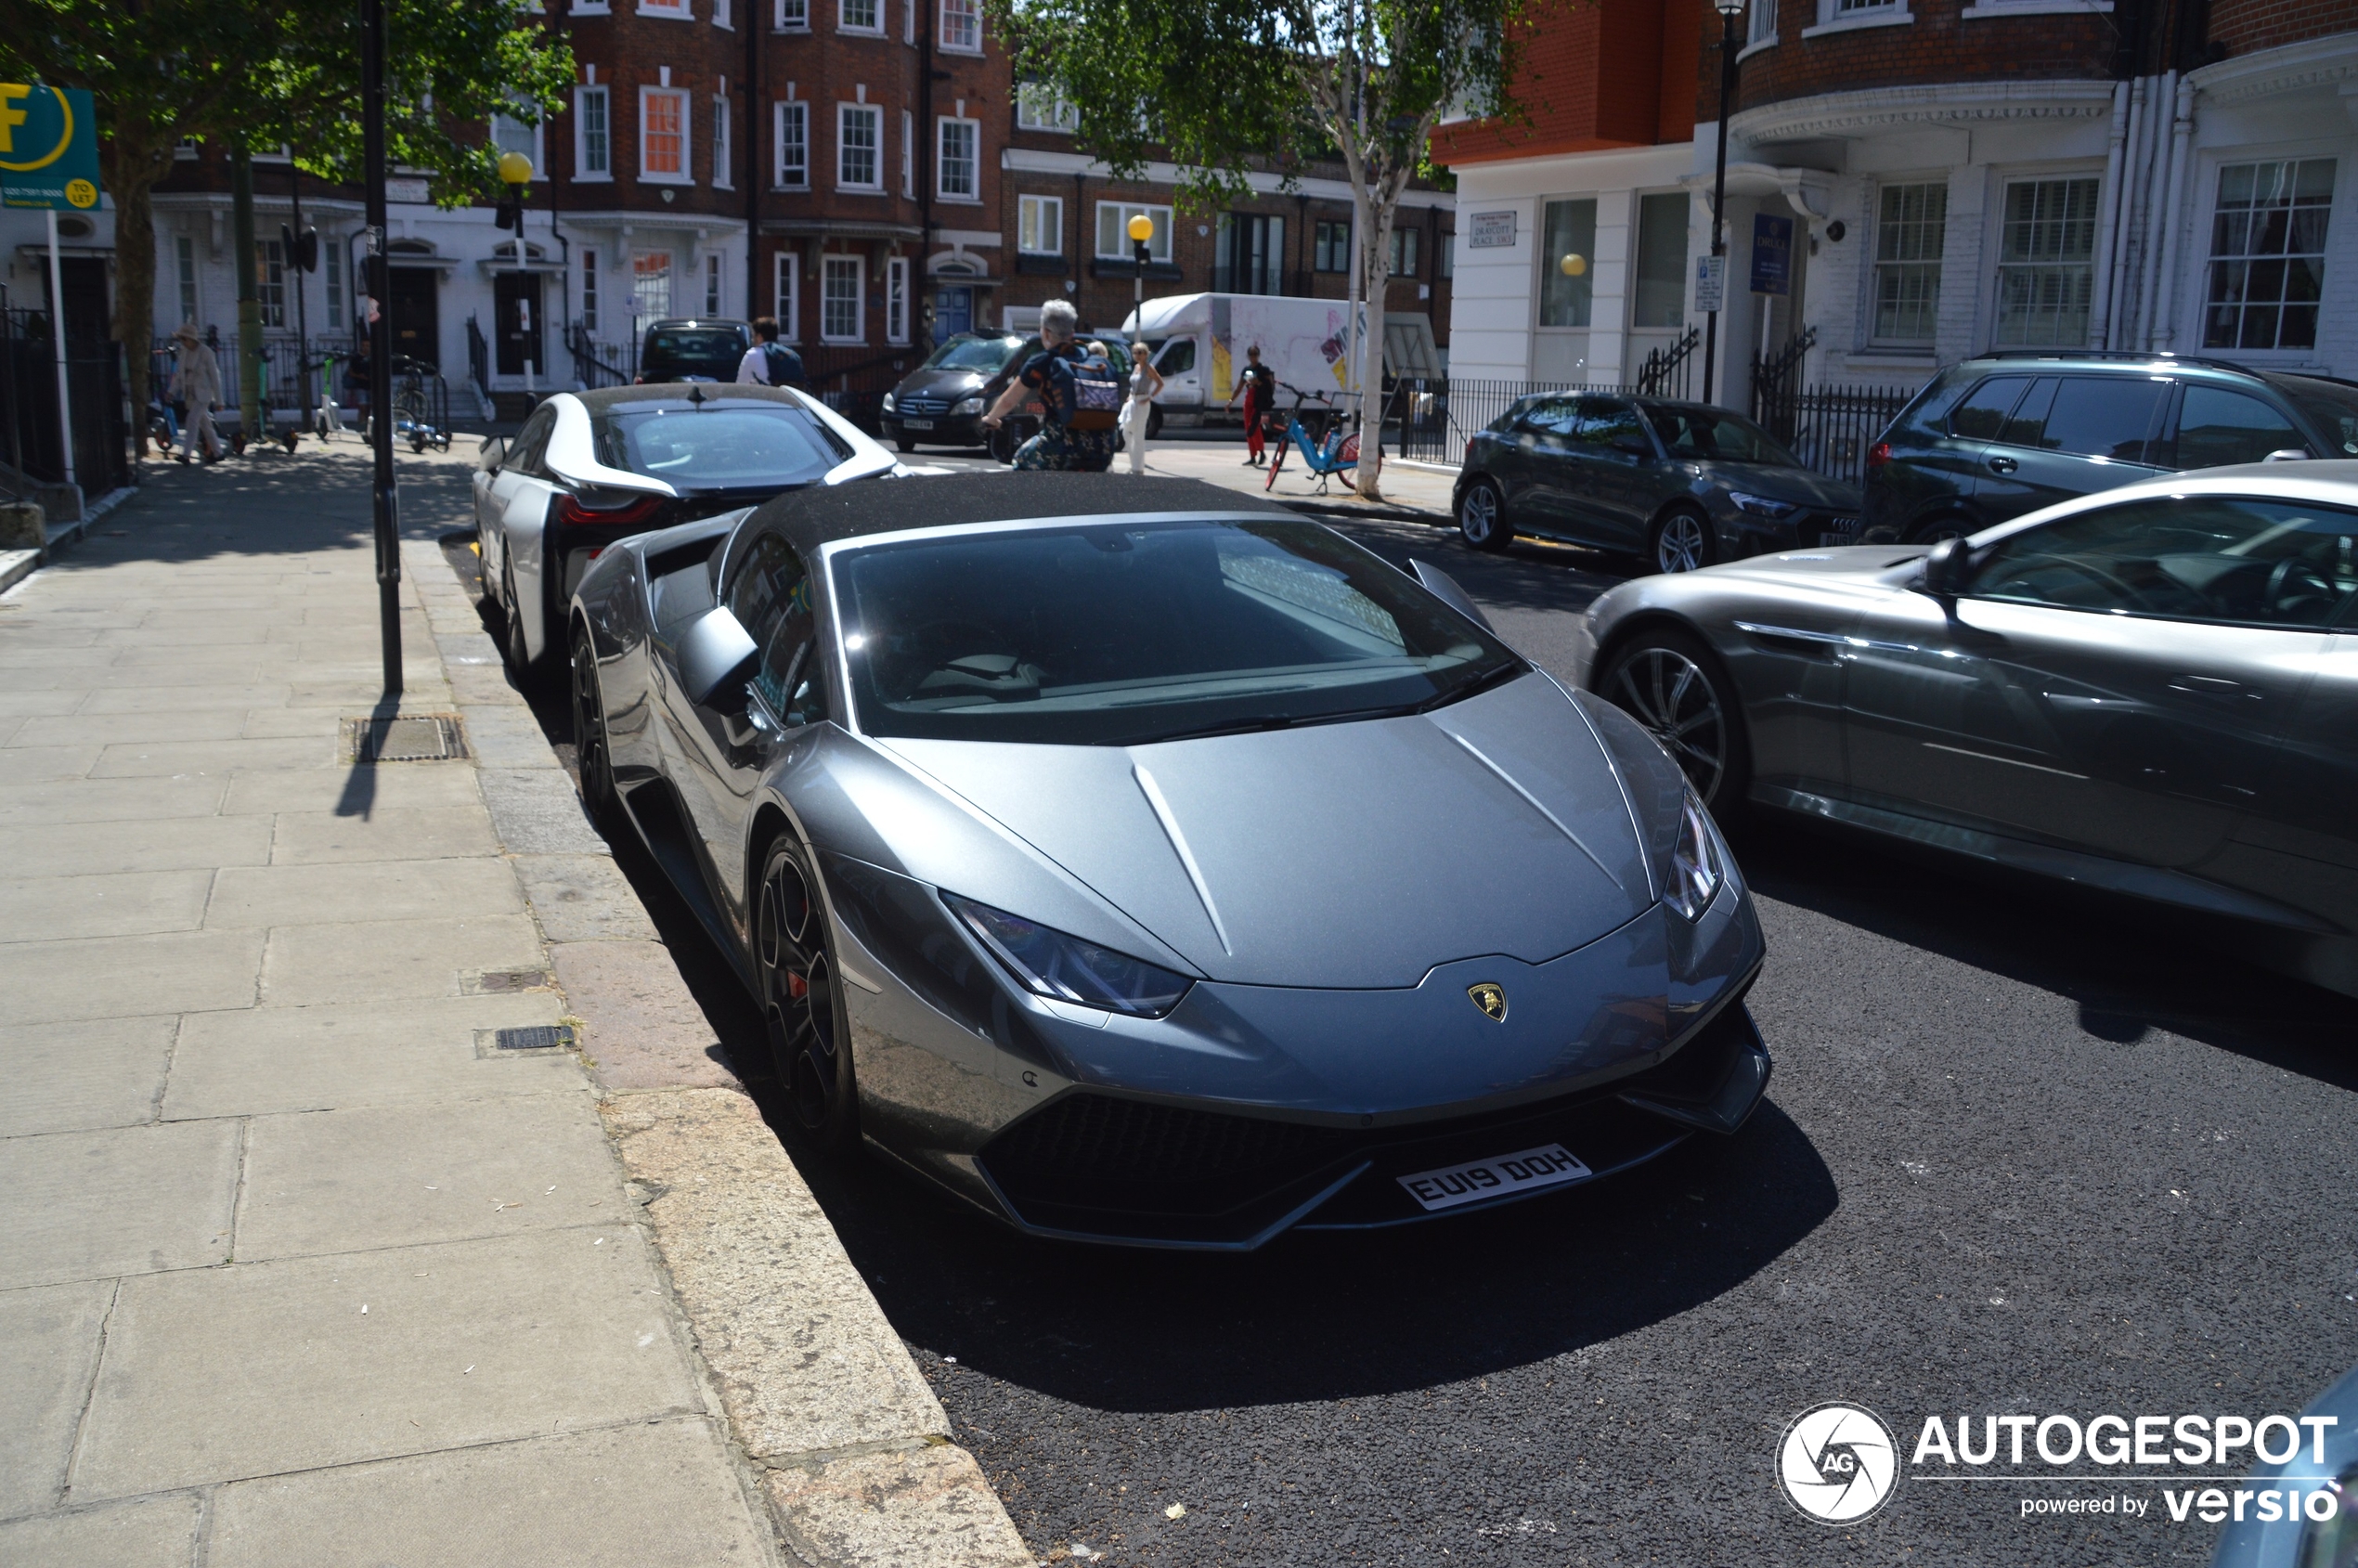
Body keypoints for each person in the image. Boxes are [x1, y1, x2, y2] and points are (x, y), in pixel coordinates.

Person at [978, 299, 1121, 472]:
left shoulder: (1042, 361)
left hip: (1064, 444)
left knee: (1022, 459)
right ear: (1072, 333)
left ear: (1045, 332)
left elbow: (1009, 400)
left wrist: (991, 419)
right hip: (1104, 445)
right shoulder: (1090, 359)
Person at [170, 322, 224, 464]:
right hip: (189, 394)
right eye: (181, 339)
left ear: (192, 339)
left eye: (184, 339)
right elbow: (179, 375)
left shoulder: (205, 352)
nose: (183, 342)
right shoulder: (184, 352)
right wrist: (171, 392)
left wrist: (219, 401)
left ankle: (186, 455)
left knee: (192, 420)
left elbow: (214, 376)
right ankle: (218, 452)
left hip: (203, 394)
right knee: (205, 425)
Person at [1226, 343, 1276, 467]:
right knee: (1248, 427)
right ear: (1248, 356)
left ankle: (1262, 452)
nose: (1253, 357)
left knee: (1254, 426)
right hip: (1249, 399)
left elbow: (1271, 386)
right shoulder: (1247, 370)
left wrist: (1259, 383)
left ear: (1258, 355)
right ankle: (1253, 456)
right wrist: (1230, 401)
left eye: (1255, 354)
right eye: (1251, 354)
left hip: (1258, 400)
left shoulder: (1264, 369)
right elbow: (1239, 387)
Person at [1121, 340, 1163, 476]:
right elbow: (1133, 385)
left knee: (1138, 435)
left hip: (1142, 401)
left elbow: (1160, 383)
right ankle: (1134, 464)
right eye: (1135, 352)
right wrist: (1129, 397)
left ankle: (1138, 469)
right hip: (1132, 400)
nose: (1137, 355)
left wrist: (1150, 397)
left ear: (1146, 354)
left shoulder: (1148, 368)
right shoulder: (1136, 367)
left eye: (1140, 353)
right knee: (1126, 431)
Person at [736, 317, 805, 388]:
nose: (752, 339)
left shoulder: (752, 354)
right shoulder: (788, 352)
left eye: (753, 335)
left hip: (765, 397)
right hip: (787, 398)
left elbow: (740, 386)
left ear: (759, 337)